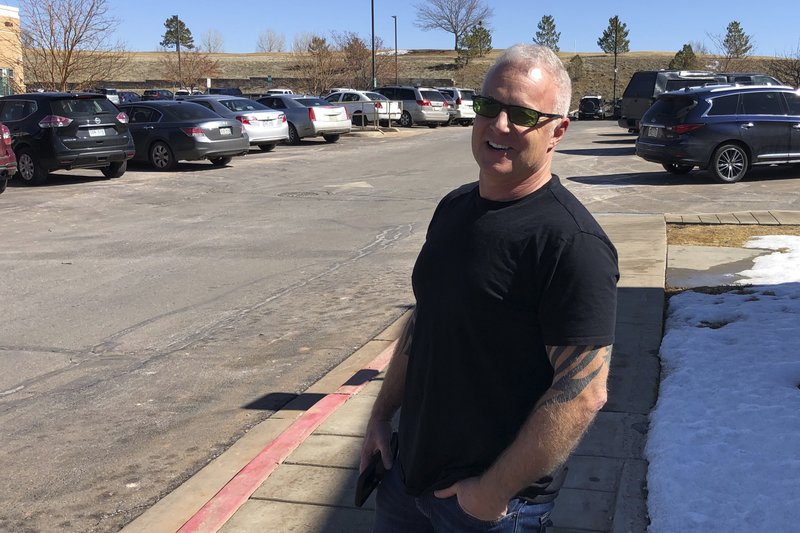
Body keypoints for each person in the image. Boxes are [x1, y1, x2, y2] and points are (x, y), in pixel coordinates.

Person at [359, 43, 619, 533]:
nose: (499, 126)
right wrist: (380, 419)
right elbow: (426, 322)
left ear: (557, 131)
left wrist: (489, 495)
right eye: (489, 106)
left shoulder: (571, 243)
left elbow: (584, 391)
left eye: (521, 113)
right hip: (405, 481)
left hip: (489, 509)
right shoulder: (454, 208)